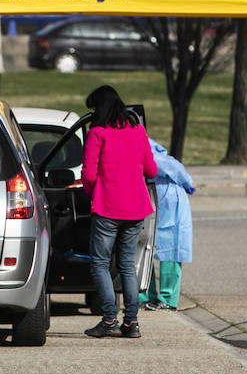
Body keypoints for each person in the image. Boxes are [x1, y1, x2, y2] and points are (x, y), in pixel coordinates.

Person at [81, 85, 158, 339]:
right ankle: (131, 323)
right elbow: (151, 171)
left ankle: (109, 319)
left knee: (100, 263)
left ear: (99, 109)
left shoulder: (97, 133)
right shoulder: (138, 131)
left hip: (108, 207)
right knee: (126, 265)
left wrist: (94, 192)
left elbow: (89, 174)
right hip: (137, 208)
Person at [140, 138, 195, 311]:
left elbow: (172, 168)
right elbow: (177, 170)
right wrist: (187, 183)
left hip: (166, 200)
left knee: (165, 249)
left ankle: (163, 297)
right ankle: (152, 295)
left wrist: (187, 182)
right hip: (157, 198)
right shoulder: (150, 151)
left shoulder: (150, 153)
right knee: (143, 248)